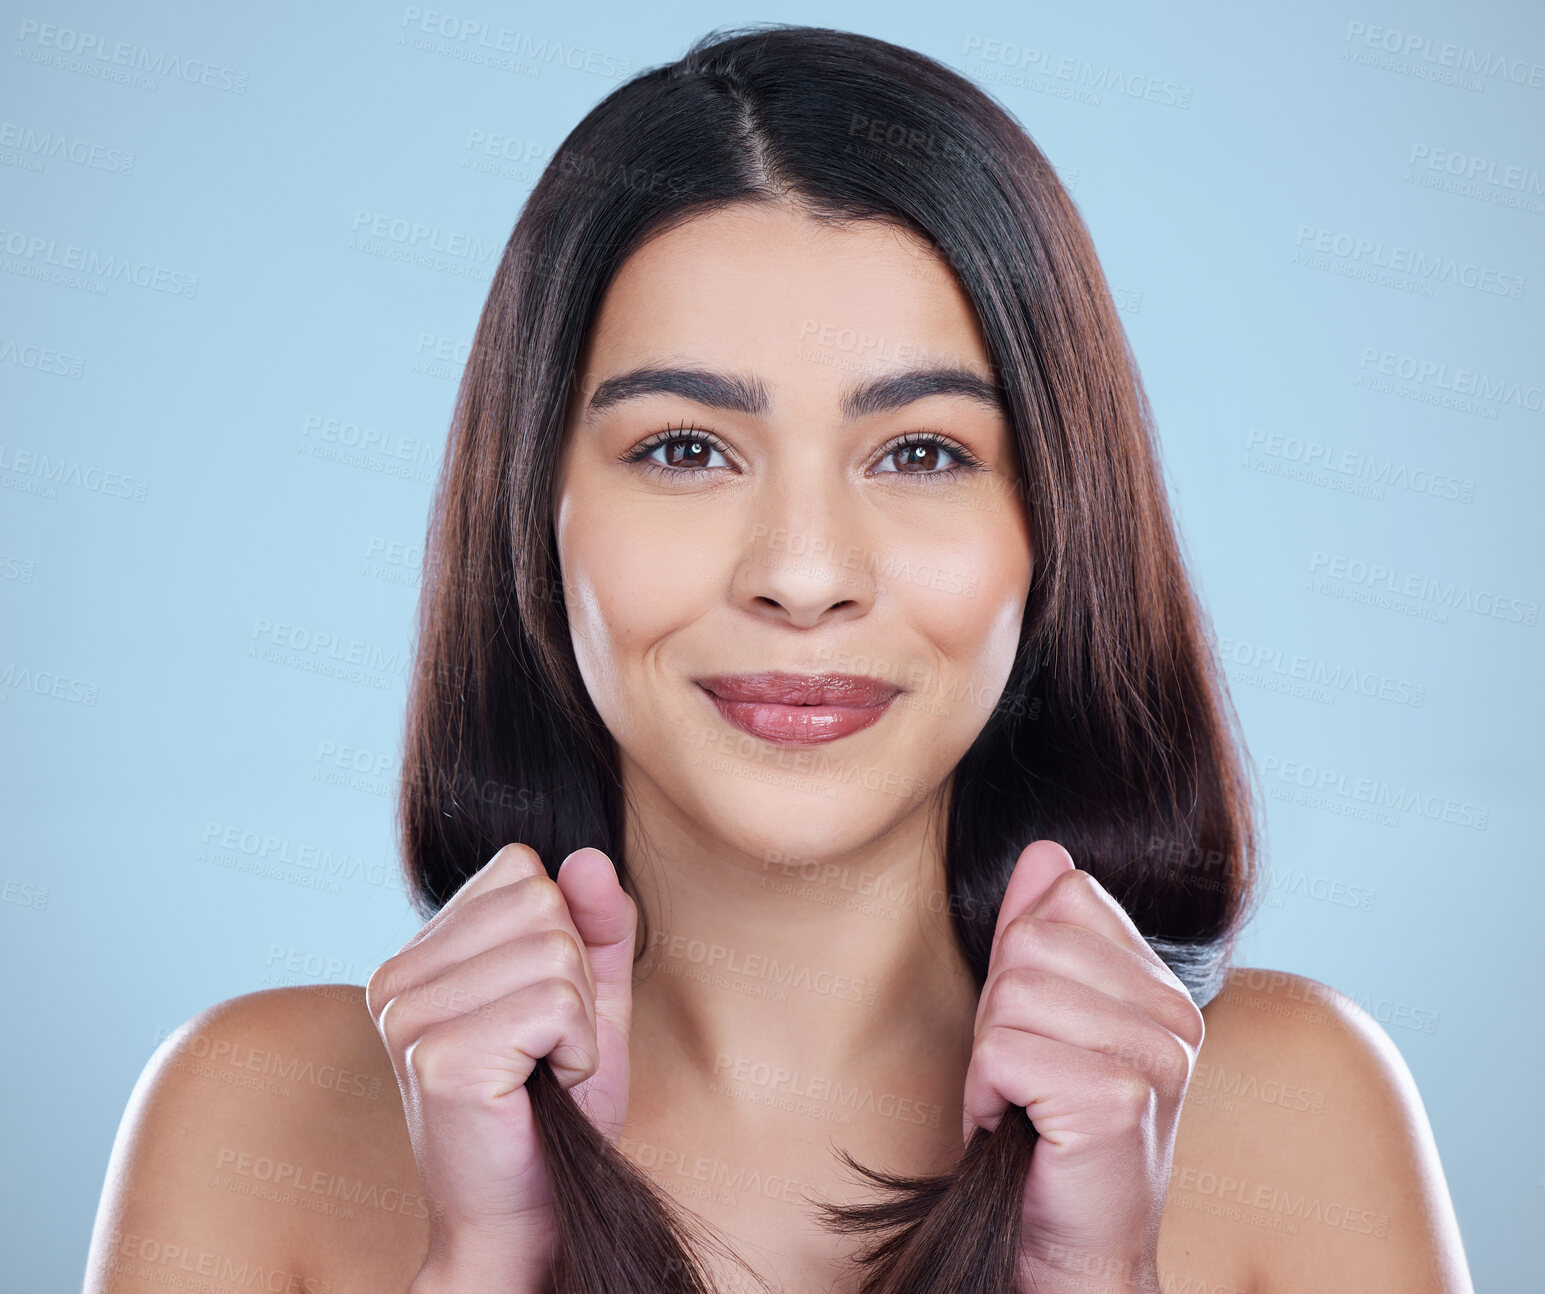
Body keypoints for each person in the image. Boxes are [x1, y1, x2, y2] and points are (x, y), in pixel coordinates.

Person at [84, 24, 1474, 1294]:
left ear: (1052, 524)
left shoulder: (1296, 1117)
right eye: (683, 449)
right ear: (535, 514)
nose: (802, 573)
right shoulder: (250, 1117)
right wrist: (478, 1263)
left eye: (921, 451)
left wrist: (1095, 1272)